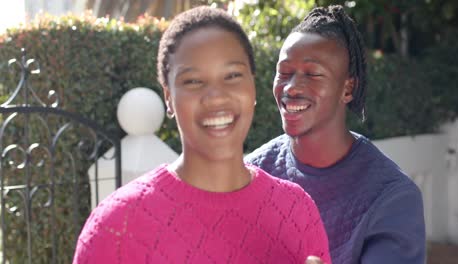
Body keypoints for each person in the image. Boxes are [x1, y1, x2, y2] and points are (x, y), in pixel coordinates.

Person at [73, 6, 331, 264]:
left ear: (252, 87)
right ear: (169, 98)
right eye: (193, 81)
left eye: (232, 76)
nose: (216, 96)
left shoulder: (297, 211)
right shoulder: (116, 226)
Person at [245, 5, 425, 264]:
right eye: (284, 73)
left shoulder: (392, 199)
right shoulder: (252, 174)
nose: (292, 87)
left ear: (348, 88)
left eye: (313, 74)